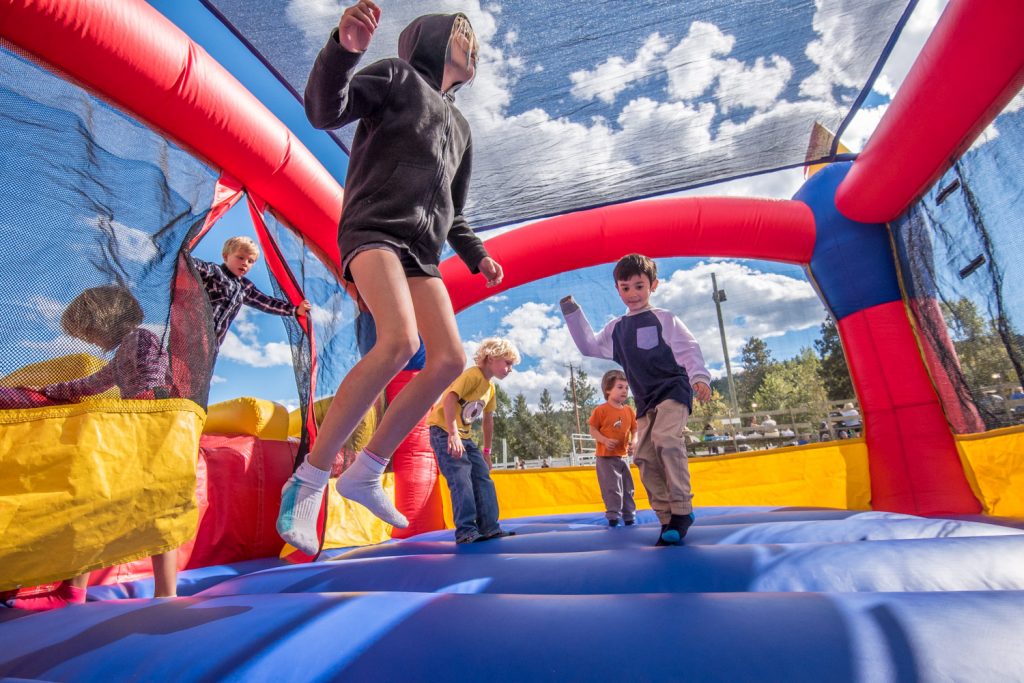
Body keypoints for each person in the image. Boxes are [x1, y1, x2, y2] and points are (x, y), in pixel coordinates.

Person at [277, 2, 504, 554]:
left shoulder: (462, 127)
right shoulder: (397, 76)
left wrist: (476, 256)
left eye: (474, 41)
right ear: (428, 39)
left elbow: (456, 207)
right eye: (460, 34)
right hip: (374, 227)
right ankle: (307, 478)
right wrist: (344, 49)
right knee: (399, 341)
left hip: (421, 251)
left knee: (448, 358)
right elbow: (323, 110)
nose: (469, 45)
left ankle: (366, 471)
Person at [2, 285, 177, 609]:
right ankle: (72, 592)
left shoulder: (141, 339)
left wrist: (142, 416)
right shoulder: (125, 350)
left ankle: (167, 593)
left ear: (103, 321)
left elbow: (154, 384)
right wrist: (47, 392)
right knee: (95, 507)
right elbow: (91, 384)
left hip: (151, 433)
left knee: (159, 509)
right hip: (139, 430)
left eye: (88, 333)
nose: (88, 341)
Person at [561, 254, 712, 546]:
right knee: (643, 455)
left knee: (666, 439)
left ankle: (682, 509)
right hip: (645, 401)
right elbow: (589, 346)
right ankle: (666, 516)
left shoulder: (664, 319)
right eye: (626, 287)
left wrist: (700, 378)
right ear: (618, 290)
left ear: (653, 286)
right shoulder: (616, 329)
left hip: (672, 390)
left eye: (639, 286)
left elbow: (688, 349)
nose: (633, 294)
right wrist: (571, 311)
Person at [427, 338, 519, 543]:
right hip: (444, 431)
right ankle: (466, 530)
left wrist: (486, 452)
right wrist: (453, 434)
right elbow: (450, 398)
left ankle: (489, 527)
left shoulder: (490, 388)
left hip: (464, 436)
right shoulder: (472, 375)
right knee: (461, 479)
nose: (510, 369)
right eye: (507, 363)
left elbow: (488, 420)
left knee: (483, 477)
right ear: (490, 358)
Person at [191, 236, 311, 350]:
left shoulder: (245, 287)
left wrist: (295, 310)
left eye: (250, 261)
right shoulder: (214, 272)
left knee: (195, 371)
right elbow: (194, 265)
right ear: (226, 256)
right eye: (240, 257)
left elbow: (267, 303)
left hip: (211, 346)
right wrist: (182, 255)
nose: (245, 263)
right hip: (192, 333)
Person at [588, 369, 638, 527]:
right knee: (612, 488)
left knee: (628, 487)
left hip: (623, 457)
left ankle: (629, 515)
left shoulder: (629, 411)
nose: (624, 391)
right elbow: (593, 430)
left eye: (626, 388)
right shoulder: (600, 410)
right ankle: (613, 516)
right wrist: (603, 440)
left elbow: (635, 429)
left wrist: (634, 442)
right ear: (608, 389)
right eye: (620, 387)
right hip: (605, 458)